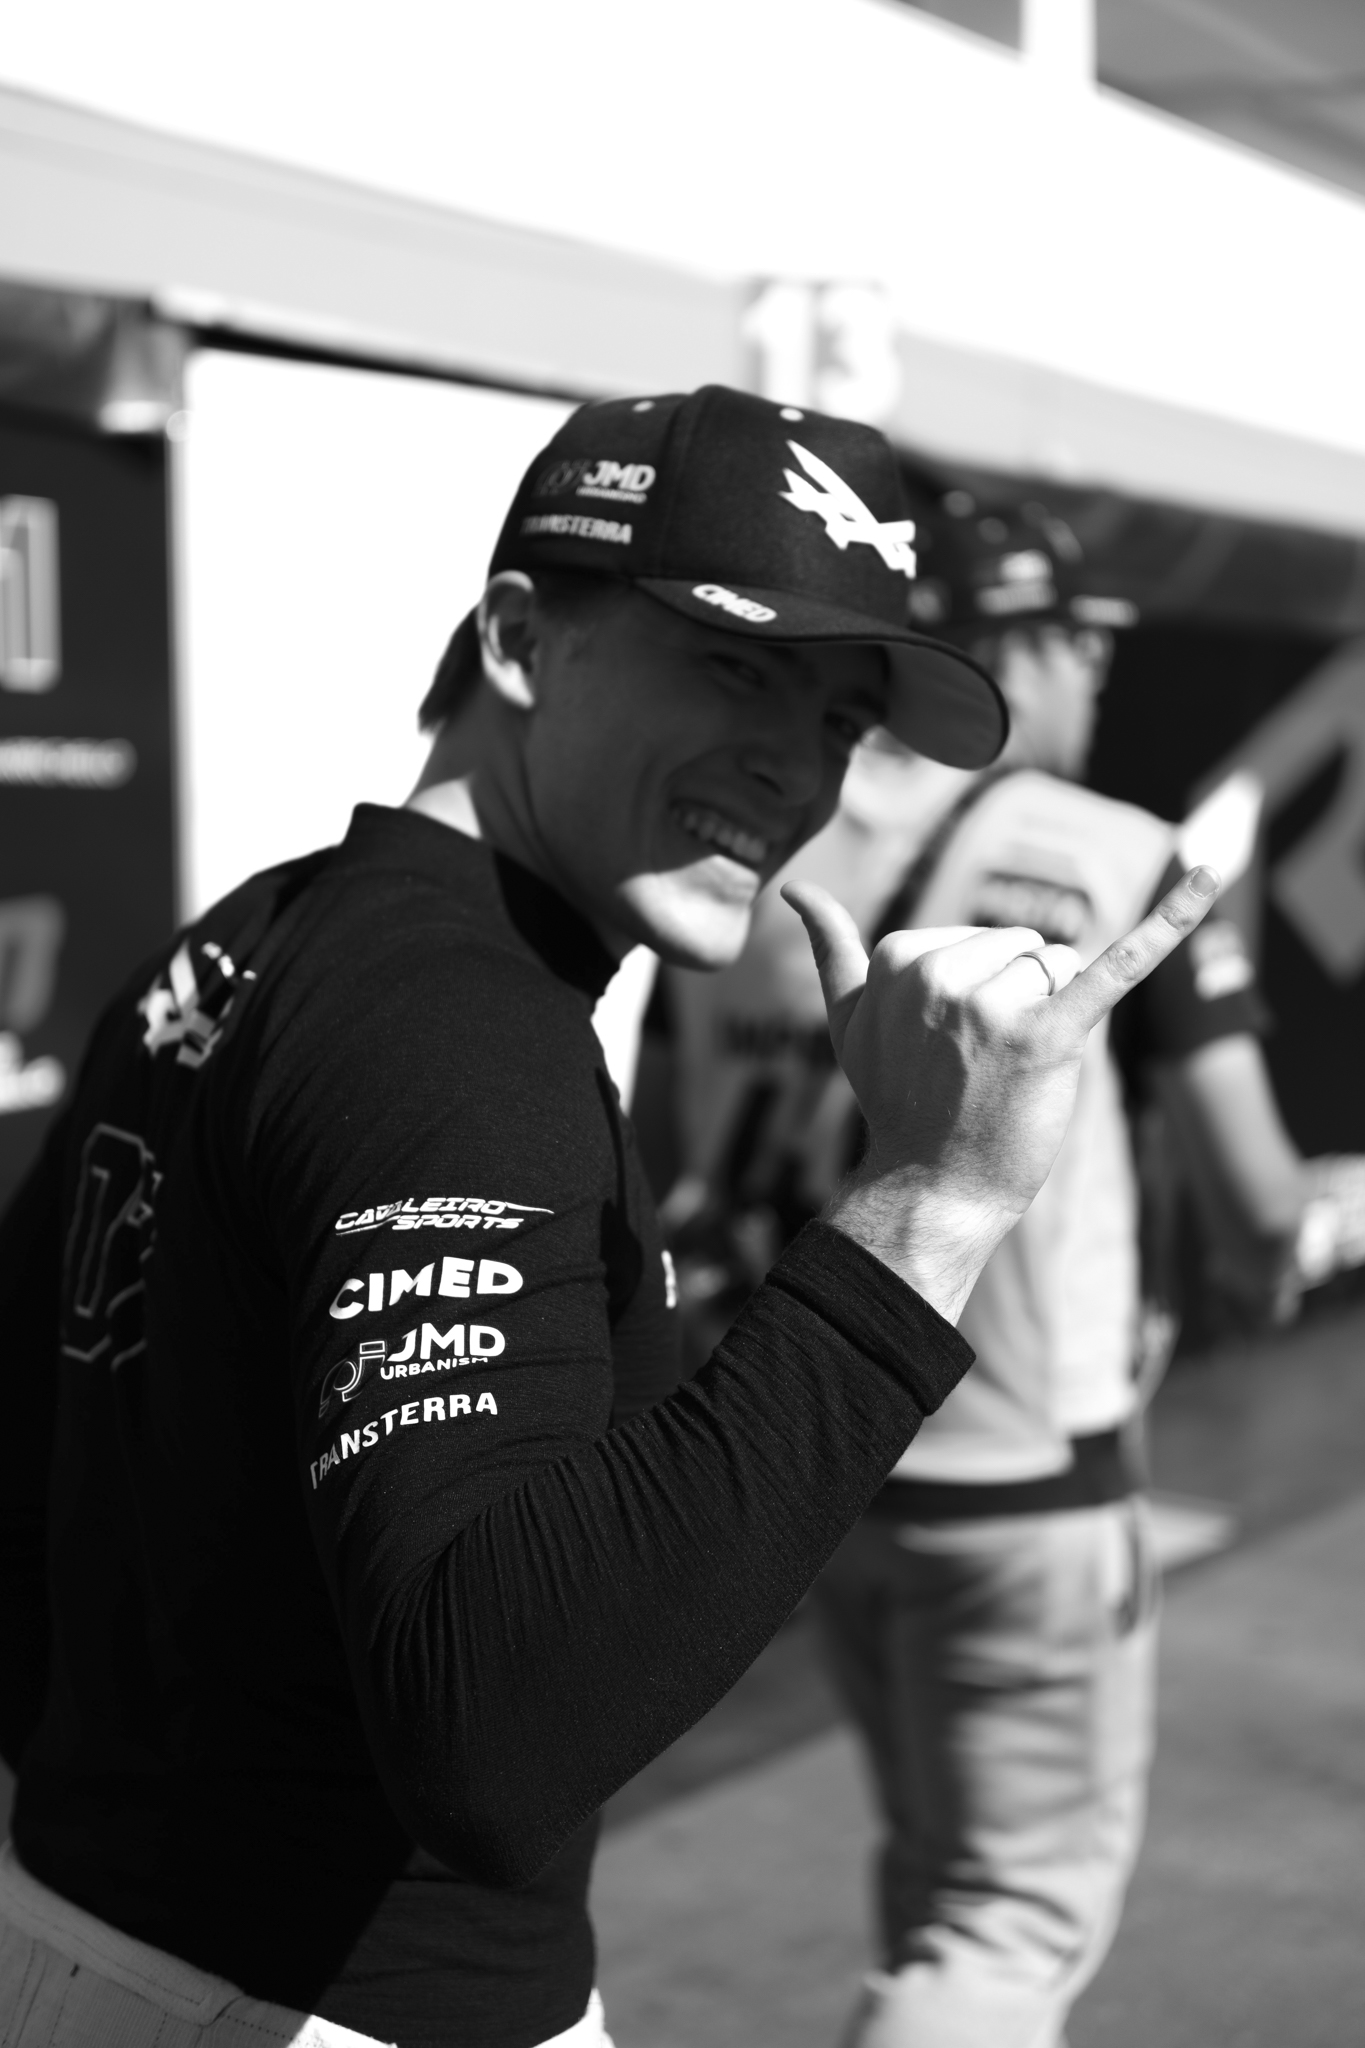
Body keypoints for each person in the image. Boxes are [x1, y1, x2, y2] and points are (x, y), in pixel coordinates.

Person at [0, 387, 1213, 2048]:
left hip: (86, 1929)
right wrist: (931, 1199)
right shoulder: (456, 1025)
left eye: (840, 719)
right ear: (517, 640)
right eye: (735, 667)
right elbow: (500, 1738)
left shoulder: (257, 935)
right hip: (319, 1999)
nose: (793, 766)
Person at [654, 489, 1303, 2048]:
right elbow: (1258, 1210)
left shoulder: (763, 834)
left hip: (811, 1455)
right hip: (1023, 1478)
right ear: (1031, 646)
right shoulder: (1116, 855)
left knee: (930, 1878)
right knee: (1001, 1928)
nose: (1096, 684)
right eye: (1087, 648)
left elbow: (668, 1146)